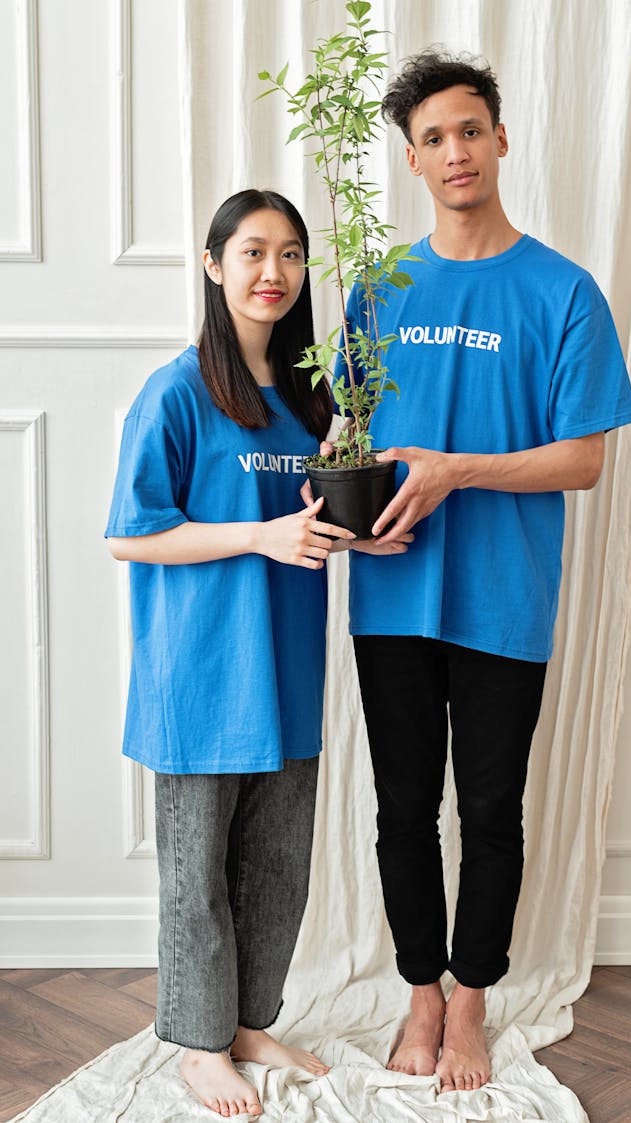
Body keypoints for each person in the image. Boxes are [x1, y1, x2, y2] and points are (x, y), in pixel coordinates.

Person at [335, 51, 631, 1094]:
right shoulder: (379, 287)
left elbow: (586, 458)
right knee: (401, 806)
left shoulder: (562, 291)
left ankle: (473, 999)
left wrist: (460, 467)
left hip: (505, 596)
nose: (455, 151)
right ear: (412, 160)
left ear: (501, 140)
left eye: (471, 130)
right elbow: (346, 434)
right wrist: (344, 519)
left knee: (491, 812)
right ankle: (419, 990)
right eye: (433, 138)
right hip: (391, 590)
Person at [105, 189, 410, 1118]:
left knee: (276, 863)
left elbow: (308, 524)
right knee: (196, 871)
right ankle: (198, 1044)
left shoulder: (312, 401)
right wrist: (258, 537)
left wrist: (360, 538)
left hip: (285, 668)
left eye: (289, 255)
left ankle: (244, 1022)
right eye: (251, 253)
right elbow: (131, 534)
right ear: (213, 266)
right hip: (199, 677)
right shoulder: (176, 392)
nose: (272, 273)